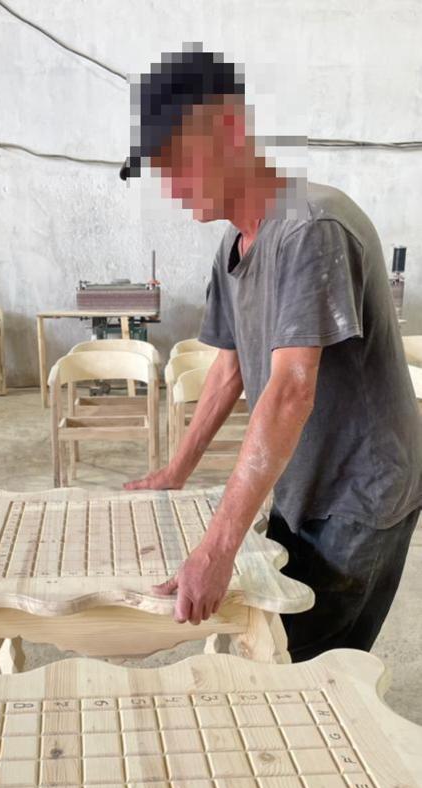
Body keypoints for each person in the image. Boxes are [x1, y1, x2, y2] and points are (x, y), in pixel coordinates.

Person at [120, 44, 422, 660]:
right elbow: (229, 367)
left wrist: (217, 547)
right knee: (274, 641)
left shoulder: (311, 227)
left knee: (307, 666)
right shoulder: (234, 243)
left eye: (177, 162)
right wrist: (176, 470)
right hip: (302, 480)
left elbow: (289, 390)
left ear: (231, 129)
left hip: (362, 494)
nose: (172, 187)